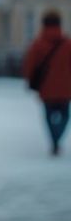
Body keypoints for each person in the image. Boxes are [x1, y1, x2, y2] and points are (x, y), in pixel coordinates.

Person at [21, 9, 71, 156]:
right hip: (66, 88)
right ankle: (58, 137)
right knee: (65, 115)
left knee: (49, 116)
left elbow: (30, 65)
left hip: (46, 88)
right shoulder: (68, 44)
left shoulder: (38, 44)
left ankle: (54, 140)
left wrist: (30, 81)